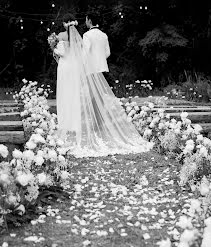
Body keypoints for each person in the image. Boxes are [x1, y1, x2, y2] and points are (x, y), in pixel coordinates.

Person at [54, 13, 152, 157]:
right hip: (101, 68)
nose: (85, 22)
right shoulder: (104, 35)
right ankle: (99, 122)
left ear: (90, 20)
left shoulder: (87, 35)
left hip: (90, 69)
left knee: (93, 96)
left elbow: (85, 53)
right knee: (99, 96)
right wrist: (98, 59)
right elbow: (107, 53)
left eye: (87, 19)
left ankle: (96, 122)